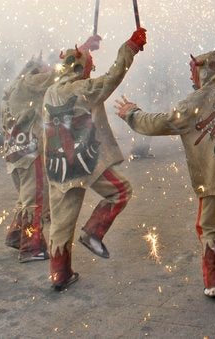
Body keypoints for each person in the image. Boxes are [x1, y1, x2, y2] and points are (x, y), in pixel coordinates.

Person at [114, 41, 215, 299]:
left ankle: (213, 284)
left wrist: (132, 114)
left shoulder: (191, 104)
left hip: (211, 178)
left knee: (208, 230)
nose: (190, 76)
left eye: (192, 71)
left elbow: (159, 123)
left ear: (202, 71)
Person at [43, 28, 146, 291]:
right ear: (80, 69)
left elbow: (71, 65)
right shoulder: (83, 89)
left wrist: (85, 49)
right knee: (121, 191)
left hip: (58, 166)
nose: (92, 69)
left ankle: (59, 275)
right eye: (89, 66)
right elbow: (112, 78)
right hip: (84, 162)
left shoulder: (51, 91)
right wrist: (129, 48)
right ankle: (93, 233)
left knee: (61, 222)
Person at [1, 48, 73, 262]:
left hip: (16, 152)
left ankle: (16, 236)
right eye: (47, 66)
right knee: (35, 199)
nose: (50, 68)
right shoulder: (31, 82)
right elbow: (57, 76)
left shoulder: (15, 86)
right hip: (29, 152)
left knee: (26, 197)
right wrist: (79, 57)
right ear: (37, 69)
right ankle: (31, 247)